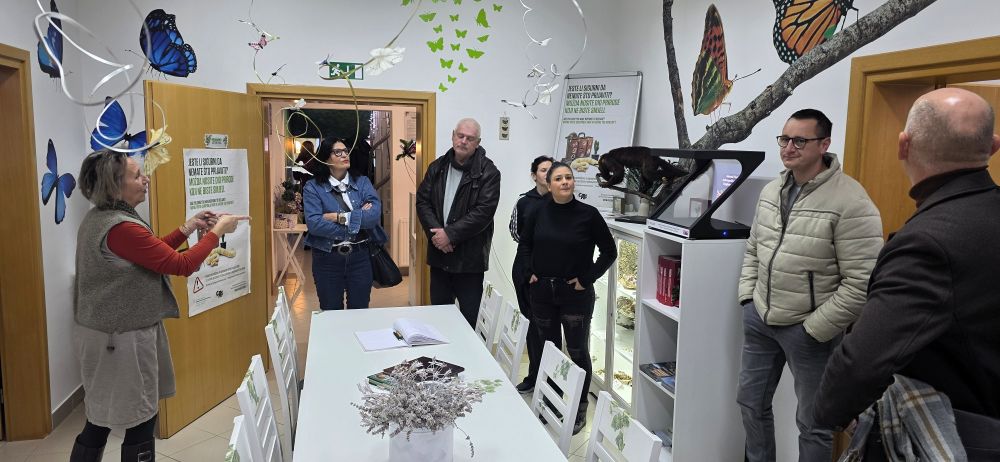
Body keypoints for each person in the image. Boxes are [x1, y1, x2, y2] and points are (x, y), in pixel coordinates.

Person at [813, 88, 1000, 460]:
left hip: (956, 437)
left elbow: (862, 362)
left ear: (904, 145)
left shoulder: (927, 242)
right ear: (993, 146)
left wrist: (829, 411)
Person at [70, 150, 247, 462]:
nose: (146, 179)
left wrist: (189, 227)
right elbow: (180, 265)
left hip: (111, 333)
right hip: (120, 338)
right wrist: (217, 232)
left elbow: (153, 254)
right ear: (114, 186)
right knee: (140, 419)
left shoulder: (102, 218)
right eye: (137, 175)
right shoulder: (121, 227)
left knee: (100, 418)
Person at [737, 108, 883, 461]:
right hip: (761, 318)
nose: (788, 148)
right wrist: (748, 298)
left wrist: (815, 328)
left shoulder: (851, 200)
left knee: (814, 423)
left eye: (800, 141)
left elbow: (862, 281)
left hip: (808, 331)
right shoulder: (772, 190)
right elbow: (755, 247)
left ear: (824, 144)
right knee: (750, 404)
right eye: (784, 139)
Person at [516, 162, 617, 434]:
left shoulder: (588, 215)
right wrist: (528, 272)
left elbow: (609, 251)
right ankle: (551, 401)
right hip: (542, 293)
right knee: (549, 349)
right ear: (549, 185)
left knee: (577, 351)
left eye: (569, 177)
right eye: (559, 178)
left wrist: (587, 278)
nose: (565, 182)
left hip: (575, 295)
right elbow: (525, 244)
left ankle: (580, 407)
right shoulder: (537, 211)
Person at [415, 118, 501, 326]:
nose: (463, 141)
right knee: (439, 320)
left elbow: (484, 212)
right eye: (460, 136)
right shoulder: (437, 167)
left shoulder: (489, 173)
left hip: (469, 262)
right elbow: (423, 202)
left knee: (468, 322)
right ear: (453, 136)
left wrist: (450, 235)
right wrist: (438, 236)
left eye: (469, 138)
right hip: (440, 258)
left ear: (477, 143)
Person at [303, 136, 387, 310]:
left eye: (346, 151)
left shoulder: (362, 182)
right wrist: (358, 221)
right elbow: (315, 224)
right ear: (325, 158)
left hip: (360, 257)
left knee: (359, 311)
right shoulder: (312, 187)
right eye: (337, 152)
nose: (344, 155)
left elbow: (373, 216)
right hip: (327, 259)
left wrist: (339, 217)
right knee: (331, 311)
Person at [508, 155, 554, 394]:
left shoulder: (562, 201)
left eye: (552, 170)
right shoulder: (524, 201)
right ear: (534, 175)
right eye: (543, 170)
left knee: (550, 329)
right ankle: (534, 376)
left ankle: (552, 384)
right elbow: (515, 232)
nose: (548, 174)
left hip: (552, 275)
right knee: (532, 325)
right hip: (525, 271)